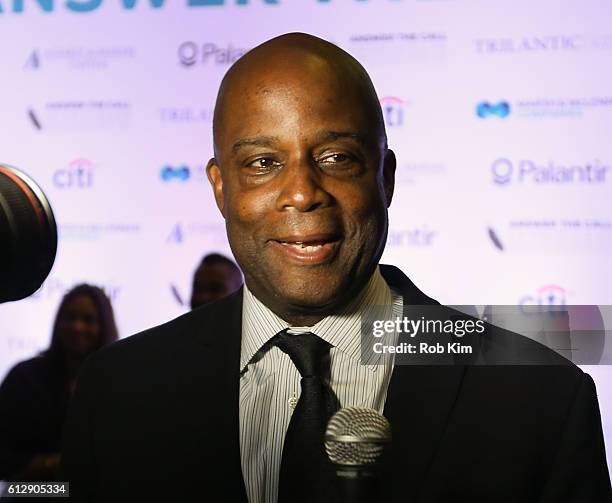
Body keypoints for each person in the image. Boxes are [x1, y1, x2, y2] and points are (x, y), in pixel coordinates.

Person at [61, 33, 611, 502]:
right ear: (220, 187)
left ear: (385, 178)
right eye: (262, 163)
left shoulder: (542, 398)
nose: (302, 193)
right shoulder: (117, 395)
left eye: (336, 158)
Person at [0, 284, 118, 484]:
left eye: (88, 320)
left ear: (104, 326)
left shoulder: (119, 384)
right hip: (27, 493)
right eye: (70, 317)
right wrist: (57, 465)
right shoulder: (24, 377)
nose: (77, 327)